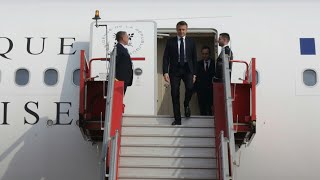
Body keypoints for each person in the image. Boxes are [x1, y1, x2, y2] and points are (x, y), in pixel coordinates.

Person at [162, 21, 197, 125]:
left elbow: (194, 58)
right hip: (175, 70)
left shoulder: (191, 42)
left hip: (188, 69)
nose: (181, 31)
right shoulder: (170, 41)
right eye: (179, 29)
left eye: (183, 29)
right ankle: (177, 119)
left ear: (187, 30)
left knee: (190, 88)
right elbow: (165, 57)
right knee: (174, 93)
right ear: (176, 30)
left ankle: (186, 104)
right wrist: (165, 72)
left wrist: (194, 73)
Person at [195, 46, 215, 116]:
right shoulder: (198, 64)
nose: (204, 55)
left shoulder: (214, 64)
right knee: (202, 109)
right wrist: (195, 90)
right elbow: (195, 77)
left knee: (211, 109)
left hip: (211, 91)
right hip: (201, 91)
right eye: (203, 54)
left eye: (206, 54)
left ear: (209, 54)